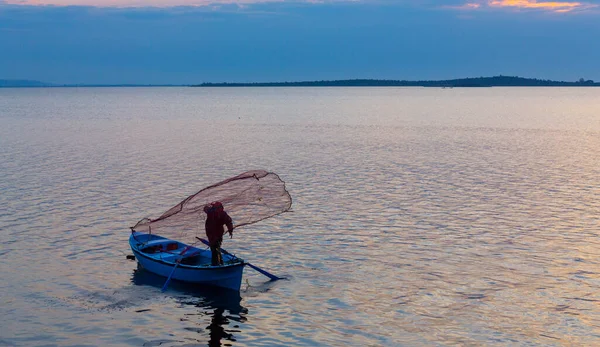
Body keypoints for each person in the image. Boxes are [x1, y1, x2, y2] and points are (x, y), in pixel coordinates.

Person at [203, 201, 233, 266]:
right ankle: (219, 263)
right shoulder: (211, 212)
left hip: (217, 234)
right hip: (211, 234)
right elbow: (205, 208)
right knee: (215, 248)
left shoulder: (222, 214)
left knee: (215, 249)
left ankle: (216, 264)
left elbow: (229, 222)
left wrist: (230, 230)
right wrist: (230, 230)